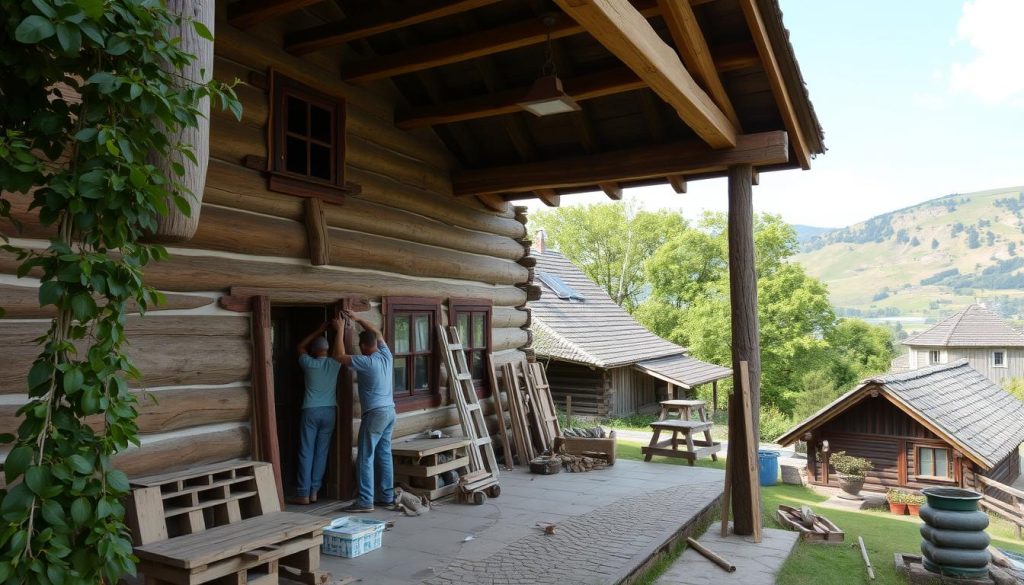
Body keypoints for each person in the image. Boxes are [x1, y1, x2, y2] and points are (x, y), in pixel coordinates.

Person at [335, 309, 396, 513]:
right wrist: (359, 319)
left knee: (365, 456)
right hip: (389, 411)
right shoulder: (386, 355)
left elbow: (339, 356)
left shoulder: (366, 362)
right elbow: (378, 334)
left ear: (362, 347)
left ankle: (365, 501)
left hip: (375, 414)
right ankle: (386, 497)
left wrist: (340, 329)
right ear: (376, 345)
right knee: (384, 454)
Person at [290, 315, 345, 505]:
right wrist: (339, 331)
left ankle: (303, 493)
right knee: (321, 452)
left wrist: (318, 330)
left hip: (310, 411)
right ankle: (314, 491)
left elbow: (299, 347)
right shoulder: (335, 363)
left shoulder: (309, 364)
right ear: (328, 350)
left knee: (306, 451)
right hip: (329, 411)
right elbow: (340, 352)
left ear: (314, 351)